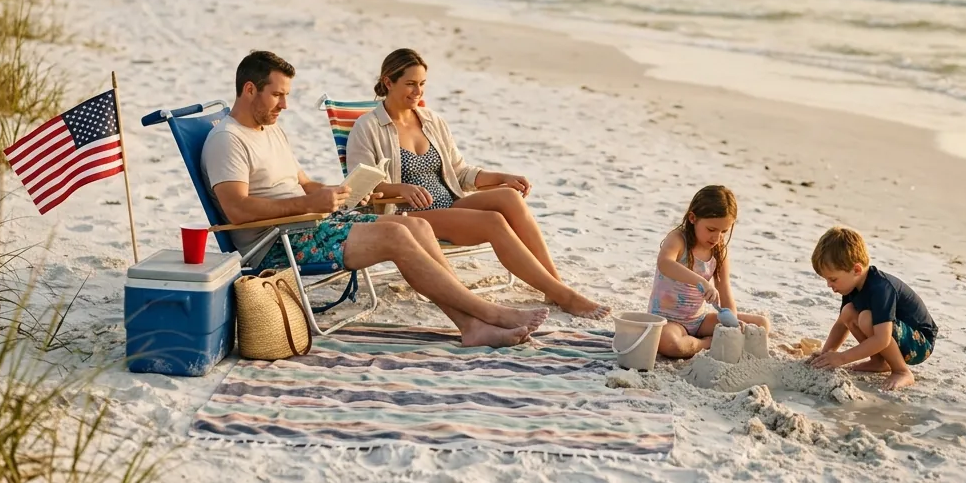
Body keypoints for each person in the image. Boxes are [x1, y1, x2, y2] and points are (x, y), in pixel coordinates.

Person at [202, 50, 548, 348]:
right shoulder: (228, 141)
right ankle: (487, 313)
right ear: (250, 89)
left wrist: (338, 192)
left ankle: (471, 325)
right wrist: (308, 205)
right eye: (277, 95)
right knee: (396, 235)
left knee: (416, 227)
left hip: (311, 224)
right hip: (279, 241)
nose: (285, 104)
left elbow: (304, 183)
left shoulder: (270, 130)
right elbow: (238, 208)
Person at [346, 49, 609, 320]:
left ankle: (554, 285)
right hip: (410, 216)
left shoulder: (431, 120)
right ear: (389, 82)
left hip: (451, 203)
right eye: (410, 84)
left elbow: (460, 172)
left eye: (422, 84)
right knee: (493, 221)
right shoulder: (367, 128)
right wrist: (400, 188)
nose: (418, 92)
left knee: (509, 197)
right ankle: (566, 296)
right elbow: (360, 187)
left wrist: (501, 178)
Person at [808, 226, 937, 391]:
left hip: (919, 344)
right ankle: (879, 362)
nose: (829, 285)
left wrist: (842, 358)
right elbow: (842, 324)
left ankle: (901, 371)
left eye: (833, 279)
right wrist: (827, 354)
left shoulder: (881, 288)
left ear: (856, 270)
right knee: (848, 312)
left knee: (867, 318)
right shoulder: (852, 285)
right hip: (895, 336)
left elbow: (882, 339)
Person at [650, 185, 770, 358]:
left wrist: (732, 324)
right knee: (670, 344)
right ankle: (707, 343)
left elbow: (725, 289)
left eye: (724, 231)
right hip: (668, 320)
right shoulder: (678, 239)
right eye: (711, 229)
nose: (717, 237)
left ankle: (711, 338)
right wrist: (702, 282)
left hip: (698, 321)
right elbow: (665, 263)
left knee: (761, 324)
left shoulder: (718, 250)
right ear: (692, 218)